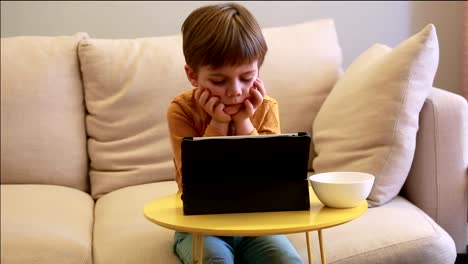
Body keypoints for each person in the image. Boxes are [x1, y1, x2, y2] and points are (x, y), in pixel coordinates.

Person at [166, 2, 304, 264]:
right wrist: (217, 123)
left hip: (258, 222)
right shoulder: (181, 111)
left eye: (247, 76)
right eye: (219, 81)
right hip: (199, 223)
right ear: (192, 75)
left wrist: (244, 122)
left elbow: (271, 181)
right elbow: (193, 185)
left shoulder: (266, 107)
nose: (235, 90)